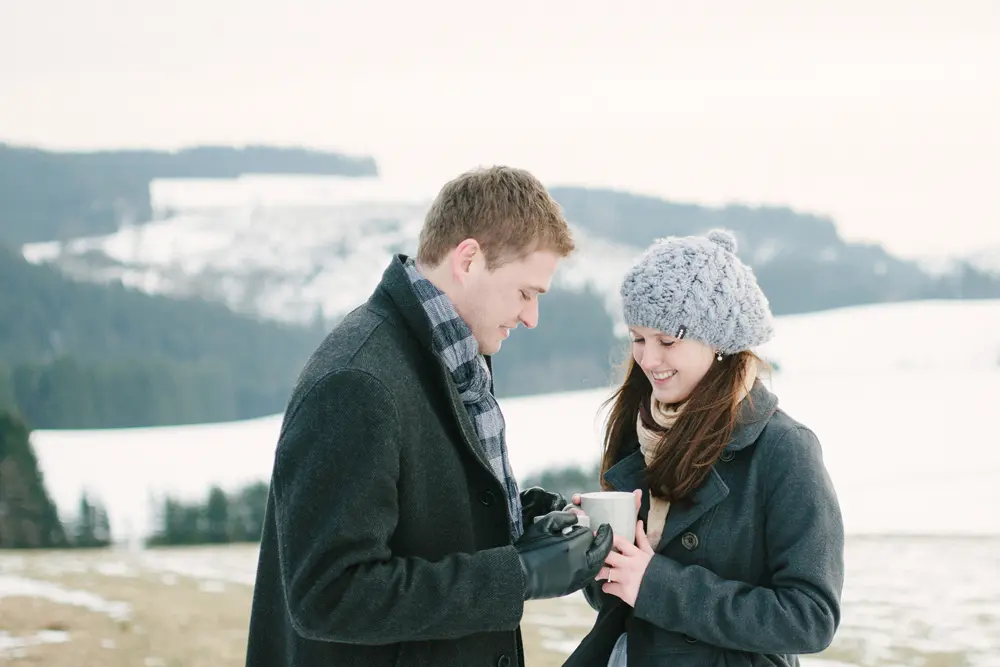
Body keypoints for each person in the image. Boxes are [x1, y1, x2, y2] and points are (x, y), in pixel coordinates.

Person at [245, 166, 614, 667]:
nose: (531, 317)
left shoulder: (452, 360)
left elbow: (421, 518)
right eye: (526, 293)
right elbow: (329, 595)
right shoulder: (358, 382)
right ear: (468, 259)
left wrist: (523, 520)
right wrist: (520, 574)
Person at [564, 229, 845, 667]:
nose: (648, 359)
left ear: (718, 342)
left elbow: (811, 617)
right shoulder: (635, 429)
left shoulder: (784, 450)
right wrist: (594, 554)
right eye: (638, 338)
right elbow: (615, 605)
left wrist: (656, 585)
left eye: (668, 341)